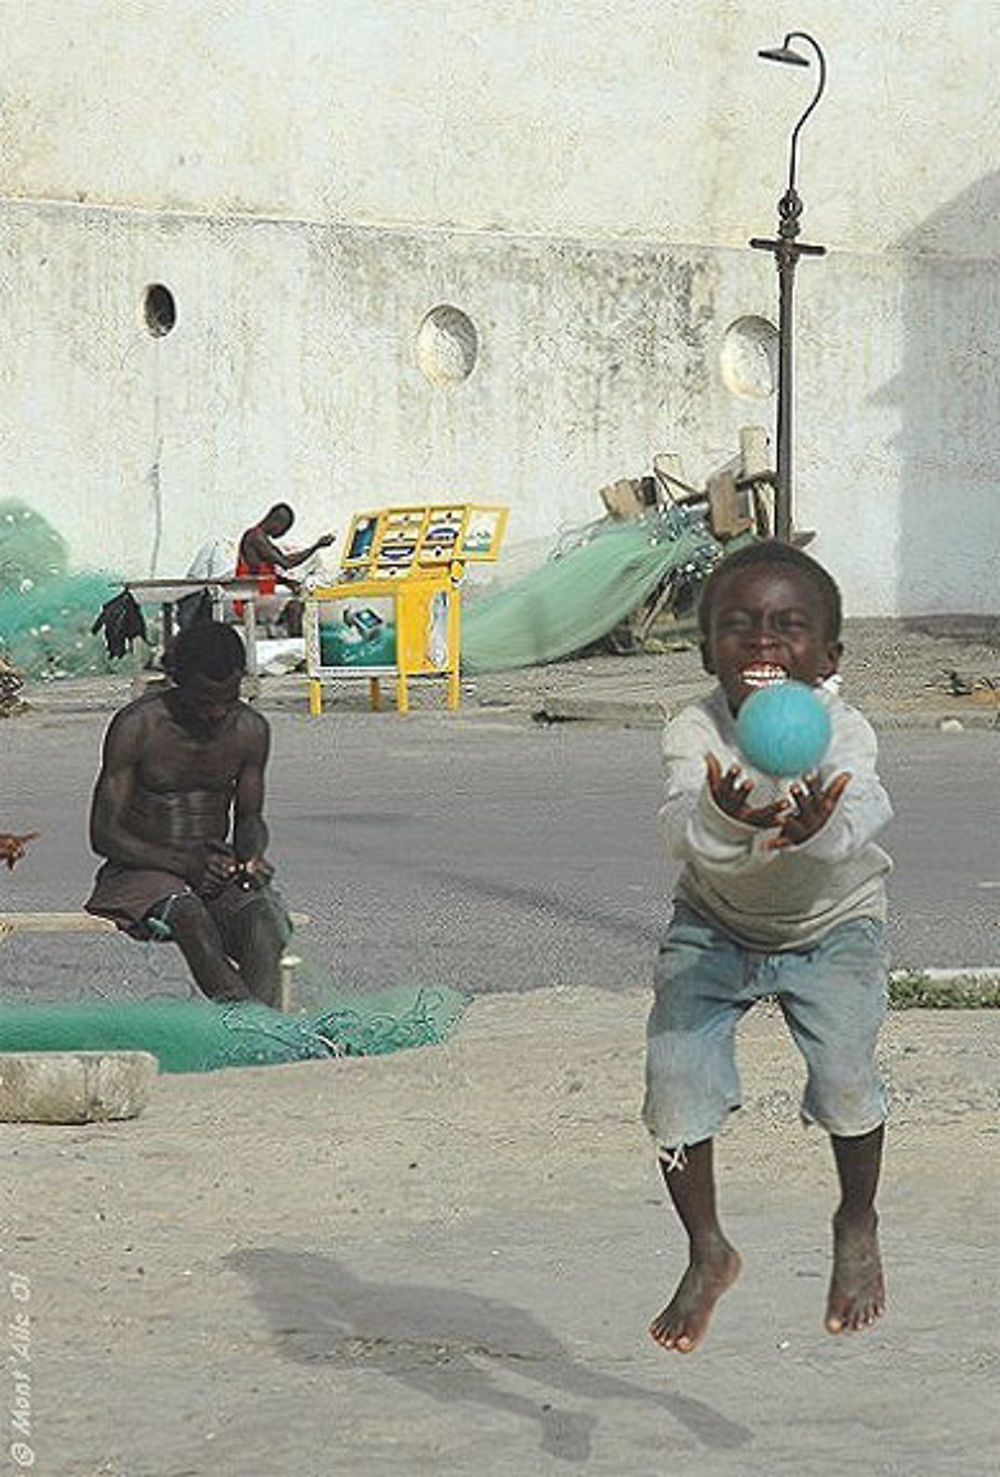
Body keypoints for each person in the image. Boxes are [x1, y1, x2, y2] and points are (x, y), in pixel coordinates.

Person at [643, 540, 893, 1354]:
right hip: (715, 922)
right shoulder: (695, 728)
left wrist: (820, 828)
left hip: (833, 924)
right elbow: (682, 826)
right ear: (705, 644)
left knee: (847, 1079)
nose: (761, 643)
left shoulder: (845, 731)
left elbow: (862, 821)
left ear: (828, 654)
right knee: (675, 1087)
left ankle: (856, 1220)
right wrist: (729, 817)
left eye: (789, 626)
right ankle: (707, 1249)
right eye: (737, 625)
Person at [85, 622, 291, 1006]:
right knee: (190, 916)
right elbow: (103, 833)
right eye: (203, 701)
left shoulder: (250, 730)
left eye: (227, 701)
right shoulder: (138, 726)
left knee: (265, 925)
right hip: (141, 870)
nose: (215, 714)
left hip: (213, 868)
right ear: (176, 680)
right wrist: (183, 863)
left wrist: (250, 856)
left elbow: (249, 819)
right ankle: (258, 1032)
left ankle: (254, 1038)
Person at [236, 503, 335, 636]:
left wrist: (288, 582)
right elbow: (286, 563)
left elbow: (269, 570)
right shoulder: (255, 538)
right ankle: (300, 650)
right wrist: (316, 546)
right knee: (294, 606)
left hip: (262, 597)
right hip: (248, 600)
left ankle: (297, 643)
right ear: (276, 522)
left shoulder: (262, 538)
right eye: (284, 529)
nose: (283, 533)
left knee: (302, 601)